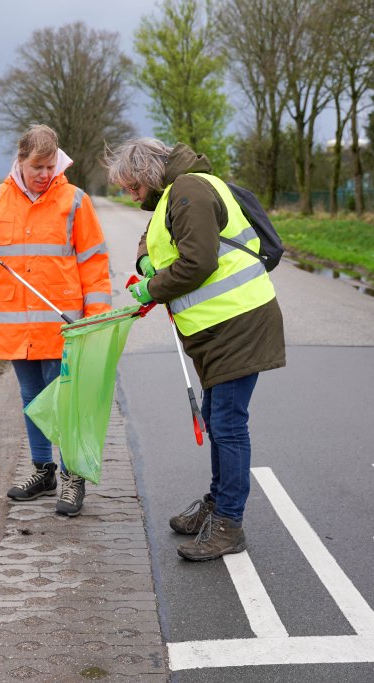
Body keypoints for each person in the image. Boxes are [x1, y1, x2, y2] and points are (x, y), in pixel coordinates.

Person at [104, 138, 285, 560]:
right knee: (217, 418)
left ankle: (228, 524)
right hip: (218, 330)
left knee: (228, 424)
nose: (130, 196)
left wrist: (151, 286)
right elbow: (158, 243)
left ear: (148, 173)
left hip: (238, 324)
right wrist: (146, 263)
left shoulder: (188, 190)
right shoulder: (177, 193)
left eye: (131, 186)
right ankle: (218, 504)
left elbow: (198, 262)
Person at [0, 124, 112, 516]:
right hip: (16, 325)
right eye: (37, 166)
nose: (43, 173)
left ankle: (74, 477)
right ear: (20, 161)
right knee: (32, 399)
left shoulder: (74, 201)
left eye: (49, 165)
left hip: (61, 323)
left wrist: (96, 317)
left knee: (65, 403)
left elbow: (94, 262)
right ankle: (43, 471)